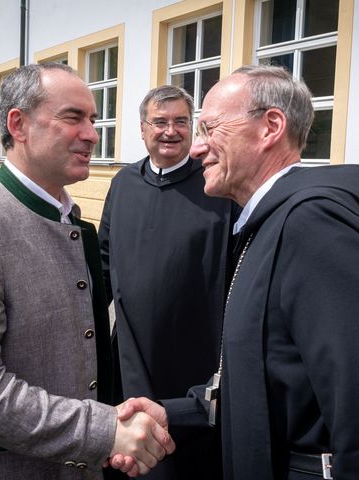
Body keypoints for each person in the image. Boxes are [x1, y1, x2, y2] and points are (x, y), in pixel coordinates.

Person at [115, 65, 359, 479]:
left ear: (270, 127)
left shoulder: (315, 224)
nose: (197, 148)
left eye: (209, 129)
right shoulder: (269, 222)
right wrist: (175, 412)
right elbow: (277, 380)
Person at [0, 63, 174, 480]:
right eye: (73, 117)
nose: (91, 133)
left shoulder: (63, 216)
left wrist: (113, 423)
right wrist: (102, 430)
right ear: (19, 124)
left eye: (92, 118)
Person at [99, 85, 235, 480]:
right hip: (132, 354)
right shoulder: (123, 184)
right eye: (160, 122)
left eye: (180, 122)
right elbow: (105, 263)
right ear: (143, 129)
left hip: (197, 356)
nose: (170, 131)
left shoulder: (217, 186)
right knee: (130, 459)